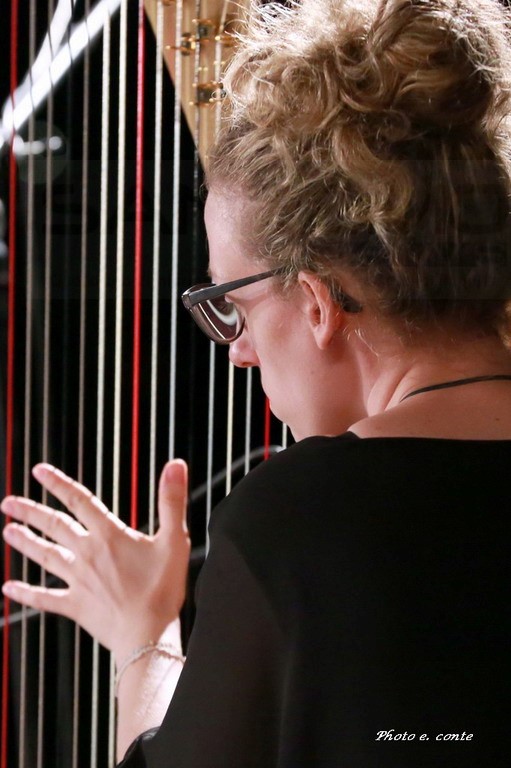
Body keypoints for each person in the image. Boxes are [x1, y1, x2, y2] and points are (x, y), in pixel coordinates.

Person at [3, 0, 511, 764]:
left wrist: (144, 632)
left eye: (234, 306)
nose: (237, 353)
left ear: (316, 302)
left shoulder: (301, 520)